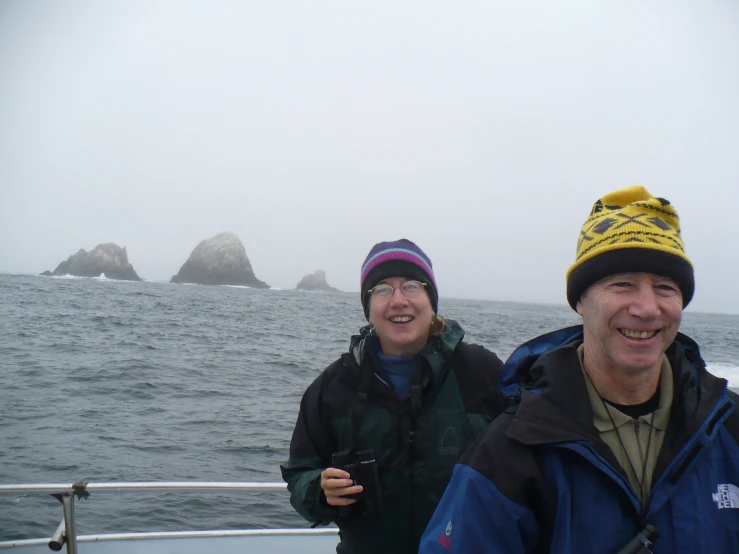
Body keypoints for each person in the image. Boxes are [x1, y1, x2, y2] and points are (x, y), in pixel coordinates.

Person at [420, 186, 739, 553]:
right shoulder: (513, 450)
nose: (648, 308)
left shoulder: (728, 427)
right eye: (623, 284)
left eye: (666, 287)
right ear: (580, 302)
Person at [281, 239, 505, 554]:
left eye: (412, 286)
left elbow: (532, 461)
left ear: (431, 300)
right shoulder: (333, 387)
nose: (398, 301)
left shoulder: (481, 372)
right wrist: (320, 490)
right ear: (369, 308)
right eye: (382, 290)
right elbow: (299, 473)